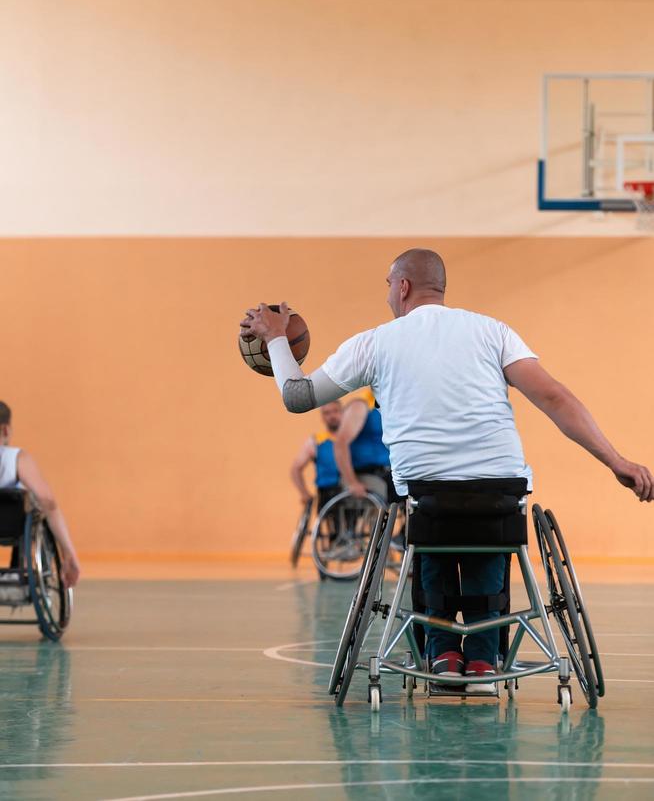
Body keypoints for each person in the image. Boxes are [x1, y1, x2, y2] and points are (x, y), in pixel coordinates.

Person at [241, 248, 652, 693]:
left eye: (387, 285)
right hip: (500, 495)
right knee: (486, 525)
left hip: (428, 500)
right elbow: (555, 398)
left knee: (426, 517)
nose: (386, 296)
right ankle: (482, 661)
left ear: (402, 287)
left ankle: (442, 654)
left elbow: (297, 396)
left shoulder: (376, 342)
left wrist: (278, 338)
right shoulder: (493, 332)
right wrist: (616, 460)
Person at [0, 401, 80, 588]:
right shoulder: (15, 458)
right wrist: (68, 553)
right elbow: (48, 501)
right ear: (5, 430)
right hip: (10, 525)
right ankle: (24, 568)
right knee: (35, 506)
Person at [290, 401, 343, 511]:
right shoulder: (316, 441)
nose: (332, 416)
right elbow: (295, 469)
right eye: (327, 413)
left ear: (343, 413)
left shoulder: (355, 438)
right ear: (322, 417)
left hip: (354, 493)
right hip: (328, 494)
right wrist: (304, 493)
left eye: (335, 411)